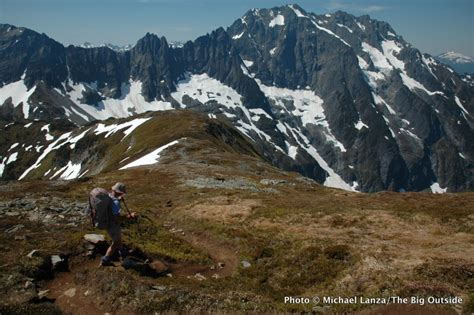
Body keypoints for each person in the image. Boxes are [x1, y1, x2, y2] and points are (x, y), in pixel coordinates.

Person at [100, 182, 136, 266]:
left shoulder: (108, 197)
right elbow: (117, 218)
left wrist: (118, 200)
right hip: (113, 225)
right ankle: (105, 259)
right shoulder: (115, 203)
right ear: (120, 192)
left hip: (106, 222)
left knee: (118, 237)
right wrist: (129, 216)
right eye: (122, 193)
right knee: (115, 242)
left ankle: (122, 251)